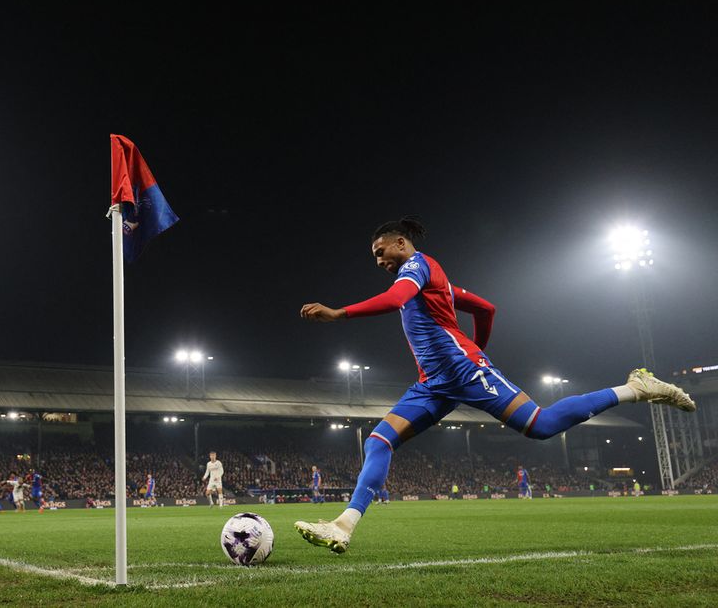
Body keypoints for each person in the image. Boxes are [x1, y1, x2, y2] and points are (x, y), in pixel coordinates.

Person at [294, 216, 697, 554]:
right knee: (378, 441)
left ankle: (637, 388)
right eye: (375, 256)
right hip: (434, 384)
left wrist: (338, 314)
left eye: (381, 251)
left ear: (402, 243)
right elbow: (486, 308)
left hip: (466, 372)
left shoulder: (416, 267)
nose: (378, 259)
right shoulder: (439, 282)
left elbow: (398, 298)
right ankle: (343, 526)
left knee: (539, 425)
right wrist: (475, 345)